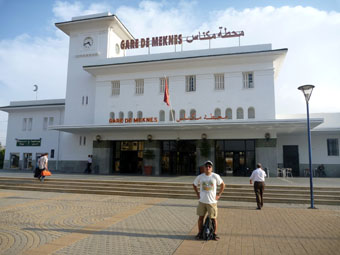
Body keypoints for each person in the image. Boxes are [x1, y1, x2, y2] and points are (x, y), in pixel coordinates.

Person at [193, 160, 225, 241]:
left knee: (213, 218)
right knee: (201, 218)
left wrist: (219, 195)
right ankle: (200, 233)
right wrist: (197, 194)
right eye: (206, 166)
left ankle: (214, 234)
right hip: (202, 201)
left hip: (212, 202)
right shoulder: (200, 176)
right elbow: (194, 184)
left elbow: (223, 185)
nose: (208, 168)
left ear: (211, 168)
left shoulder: (215, 176)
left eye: (209, 166)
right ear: (204, 168)